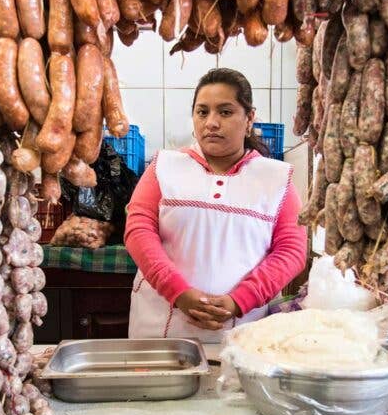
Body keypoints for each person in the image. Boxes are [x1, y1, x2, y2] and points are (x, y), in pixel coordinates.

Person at [124, 68, 306, 343]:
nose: (211, 122)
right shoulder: (164, 166)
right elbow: (138, 231)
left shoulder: (276, 179)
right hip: (159, 329)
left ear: (249, 119)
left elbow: (291, 251)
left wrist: (239, 300)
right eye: (202, 112)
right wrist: (178, 292)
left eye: (225, 112)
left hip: (244, 331)